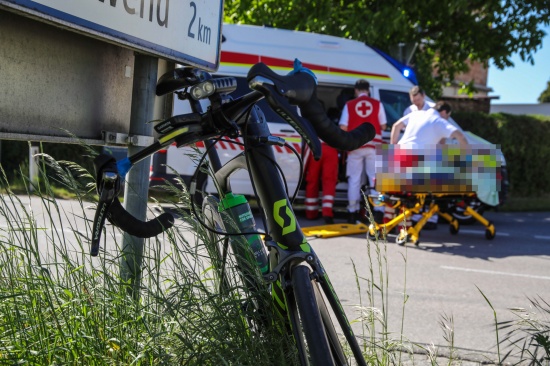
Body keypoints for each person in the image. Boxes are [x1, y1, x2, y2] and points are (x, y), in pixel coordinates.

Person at [388, 101, 469, 230]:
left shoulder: (416, 114)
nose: (447, 119)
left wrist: (393, 147)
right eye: (448, 116)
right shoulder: (439, 121)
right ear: (444, 112)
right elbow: (461, 137)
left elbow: (396, 126)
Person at [339, 80, 387, 224]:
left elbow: (343, 127)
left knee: (354, 180)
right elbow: (383, 126)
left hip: (355, 147)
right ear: (368, 90)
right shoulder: (377, 104)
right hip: (373, 147)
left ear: (356, 90)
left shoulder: (349, 105)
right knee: (376, 180)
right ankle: (379, 212)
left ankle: (352, 212)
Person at [304, 142, 339, 224]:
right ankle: (327, 213)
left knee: (312, 181)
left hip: (315, 148)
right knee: (329, 181)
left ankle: (311, 213)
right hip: (331, 148)